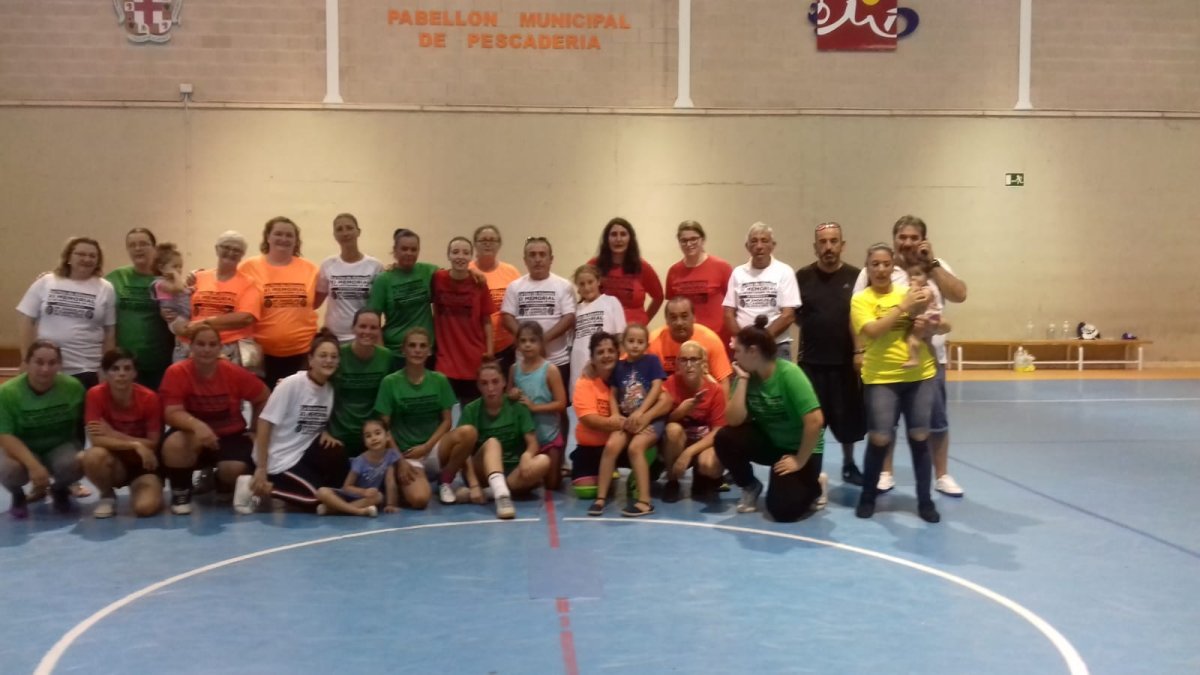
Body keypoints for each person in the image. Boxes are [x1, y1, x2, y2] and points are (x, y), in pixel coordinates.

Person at [853, 215, 968, 497]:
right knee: (884, 424)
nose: (907, 243)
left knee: (935, 422)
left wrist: (933, 264)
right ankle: (885, 472)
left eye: (913, 238)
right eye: (902, 237)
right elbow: (856, 311)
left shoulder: (935, 267)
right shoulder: (880, 268)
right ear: (894, 240)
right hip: (886, 361)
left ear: (923, 240)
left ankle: (941, 475)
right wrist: (859, 351)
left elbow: (960, 294)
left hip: (930, 359)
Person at [851, 243, 940, 523]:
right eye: (874, 264)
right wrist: (902, 308)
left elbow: (937, 320)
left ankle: (925, 501)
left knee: (919, 435)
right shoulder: (861, 300)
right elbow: (873, 331)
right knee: (879, 437)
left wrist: (931, 323)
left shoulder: (909, 293)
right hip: (881, 378)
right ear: (867, 267)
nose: (880, 269)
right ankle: (868, 496)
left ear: (893, 267)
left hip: (919, 375)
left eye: (886, 264)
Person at [713, 316, 827, 522]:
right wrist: (743, 381)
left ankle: (815, 485)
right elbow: (733, 420)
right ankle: (750, 485)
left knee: (782, 511)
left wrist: (800, 460)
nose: (734, 357)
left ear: (753, 351)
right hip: (773, 444)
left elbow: (815, 421)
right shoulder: (747, 374)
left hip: (802, 449)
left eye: (738, 351)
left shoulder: (789, 374)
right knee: (725, 437)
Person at [159, 324, 270, 514]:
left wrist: (254, 430)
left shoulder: (233, 372)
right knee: (174, 444)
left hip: (229, 435)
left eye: (212, 344)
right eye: (201, 344)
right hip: (192, 435)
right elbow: (171, 412)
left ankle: (221, 481)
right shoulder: (177, 372)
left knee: (234, 469)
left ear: (220, 348)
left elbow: (264, 396)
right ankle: (181, 492)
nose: (206, 349)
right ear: (191, 346)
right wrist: (196, 425)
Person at [237, 329, 342, 514]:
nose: (329, 360)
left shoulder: (329, 391)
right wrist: (261, 467)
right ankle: (254, 486)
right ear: (311, 360)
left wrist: (324, 432)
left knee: (336, 454)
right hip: (278, 460)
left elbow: (311, 422)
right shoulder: (291, 384)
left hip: (300, 456)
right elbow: (264, 423)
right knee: (315, 500)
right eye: (323, 355)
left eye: (334, 356)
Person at [795, 222, 866, 486]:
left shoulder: (857, 277)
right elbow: (798, 315)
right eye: (823, 242)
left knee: (847, 419)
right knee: (814, 421)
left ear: (842, 245)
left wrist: (858, 351)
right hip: (811, 363)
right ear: (815, 247)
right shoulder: (802, 276)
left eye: (833, 241)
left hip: (846, 362)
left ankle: (849, 464)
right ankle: (813, 468)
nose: (828, 247)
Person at [373, 327, 476, 507]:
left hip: (434, 449)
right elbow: (384, 430)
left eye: (422, 346)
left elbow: (447, 421)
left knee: (468, 432)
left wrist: (427, 446)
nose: (417, 350)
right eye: (412, 346)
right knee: (420, 500)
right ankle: (407, 483)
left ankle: (445, 479)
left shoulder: (439, 380)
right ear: (403, 350)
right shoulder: (390, 383)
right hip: (407, 454)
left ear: (429, 351)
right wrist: (400, 461)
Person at [588, 324, 671, 518]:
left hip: (651, 418)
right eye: (631, 341)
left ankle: (644, 501)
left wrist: (642, 412)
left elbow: (657, 388)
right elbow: (614, 392)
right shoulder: (619, 366)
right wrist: (616, 415)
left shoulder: (651, 361)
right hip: (626, 419)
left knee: (636, 448)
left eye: (640, 342)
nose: (635, 345)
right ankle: (600, 498)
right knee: (611, 446)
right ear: (623, 344)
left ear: (646, 345)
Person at [451, 362, 551, 520]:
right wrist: (474, 483)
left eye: (495, 382)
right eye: (484, 383)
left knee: (543, 461)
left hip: (512, 472)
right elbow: (464, 454)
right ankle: (502, 497)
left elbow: (532, 443)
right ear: (478, 386)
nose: (490, 388)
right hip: (482, 472)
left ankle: (491, 492)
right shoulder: (471, 410)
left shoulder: (517, 406)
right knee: (492, 443)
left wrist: (527, 455)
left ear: (504, 382)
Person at [17, 237, 117, 390]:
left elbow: (110, 332)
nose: (86, 259)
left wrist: (106, 368)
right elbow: (26, 320)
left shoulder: (106, 288)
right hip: (48, 367)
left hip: (88, 368)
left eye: (92, 256)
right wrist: (26, 360)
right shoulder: (46, 281)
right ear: (69, 257)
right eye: (81, 254)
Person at [0, 341, 86, 519]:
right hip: (23, 447)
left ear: (60, 365)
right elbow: (5, 436)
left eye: (52, 363)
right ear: (26, 363)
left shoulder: (73, 388)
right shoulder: (7, 393)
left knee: (81, 461)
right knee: (8, 469)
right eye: (39, 362)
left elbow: (82, 424)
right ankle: (17, 495)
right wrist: (34, 466)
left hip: (58, 445)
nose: (45, 369)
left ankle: (60, 489)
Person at [501, 236, 576, 435]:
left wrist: (542, 341)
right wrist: (528, 341)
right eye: (532, 255)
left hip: (557, 360)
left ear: (551, 259)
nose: (538, 259)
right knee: (523, 407)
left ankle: (560, 459)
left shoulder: (563, 285)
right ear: (525, 260)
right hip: (523, 363)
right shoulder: (515, 287)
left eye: (542, 255)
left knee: (559, 410)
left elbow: (569, 317)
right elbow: (506, 317)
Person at [80, 349, 164, 518]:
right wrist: (135, 444)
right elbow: (96, 440)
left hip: (145, 464)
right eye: (115, 369)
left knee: (145, 509)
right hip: (115, 463)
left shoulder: (149, 398)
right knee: (91, 456)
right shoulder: (94, 395)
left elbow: (153, 443)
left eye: (127, 368)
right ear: (105, 373)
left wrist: (112, 433)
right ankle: (107, 495)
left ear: (134, 373)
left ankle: (141, 488)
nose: (121, 374)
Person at [239, 216, 319, 388]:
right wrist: (196, 277)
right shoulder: (248, 267)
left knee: (295, 406)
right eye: (278, 234)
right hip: (260, 355)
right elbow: (227, 282)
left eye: (289, 235)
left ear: (296, 240)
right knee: (264, 405)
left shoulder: (311, 269)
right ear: (268, 237)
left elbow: (317, 301)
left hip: (302, 353)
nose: (283, 239)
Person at [107, 228, 174, 390]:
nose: (138, 248)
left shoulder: (167, 279)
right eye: (132, 245)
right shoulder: (116, 277)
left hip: (160, 362)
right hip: (125, 364)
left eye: (143, 244)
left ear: (154, 248)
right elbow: (88, 286)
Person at [660, 340, 727, 503]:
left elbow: (718, 430)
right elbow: (662, 421)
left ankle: (705, 475)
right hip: (677, 442)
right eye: (684, 360)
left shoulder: (715, 390)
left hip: (702, 443)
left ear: (703, 363)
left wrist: (688, 453)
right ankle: (672, 481)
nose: (689, 365)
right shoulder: (669, 384)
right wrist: (681, 411)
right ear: (678, 364)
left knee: (709, 466)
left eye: (694, 359)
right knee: (672, 429)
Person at [723, 222, 801, 361]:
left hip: (776, 346)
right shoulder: (738, 273)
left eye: (764, 241)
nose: (759, 246)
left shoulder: (785, 271)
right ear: (747, 246)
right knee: (743, 383)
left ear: (773, 245)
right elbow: (729, 314)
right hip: (745, 348)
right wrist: (746, 340)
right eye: (754, 241)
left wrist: (761, 339)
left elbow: (788, 315)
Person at [433, 236, 495, 405]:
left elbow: (487, 320)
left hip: (474, 359)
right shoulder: (437, 278)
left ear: (471, 257)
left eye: (466, 252)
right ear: (448, 256)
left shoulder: (479, 283)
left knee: (471, 416)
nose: (460, 256)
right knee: (443, 415)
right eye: (455, 252)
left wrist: (490, 351)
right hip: (445, 360)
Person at [187, 231, 262, 370]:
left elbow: (245, 318)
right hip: (197, 346)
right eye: (226, 247)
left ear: (242, 255)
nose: (231, 252)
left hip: (231, 349)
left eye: (236, 250)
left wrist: (203, 323)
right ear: (217, 249)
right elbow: (184, 308)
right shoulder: (198, 277)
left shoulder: (249, 283)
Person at [508, 322, 567, 490]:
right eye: (523, 341)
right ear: (517, 344)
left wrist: (535, 407)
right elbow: (508, 397)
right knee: (527, 481)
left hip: (549, 435)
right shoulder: (514, 369)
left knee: (552, 485)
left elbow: (561, 404)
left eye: (532, 340)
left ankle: (557, 468)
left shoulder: (550, 370)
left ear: (541, 342)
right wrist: (511, 395)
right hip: (525, 439)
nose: (527, 345)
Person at [329, 309, 393, 457]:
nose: (367, 331)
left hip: (372, 436)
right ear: (353, 328)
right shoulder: (338, 355)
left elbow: (389, 399)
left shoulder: (386, 356)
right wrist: (324, 431)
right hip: (339, 435)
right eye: (362, 326)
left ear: (379, 330)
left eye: (373, 327)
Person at [368, 228, 437, 363]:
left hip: (425, 352)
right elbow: (373, 320)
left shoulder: (428, 271)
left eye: (413, 249)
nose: (409, 253)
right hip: (395, 353)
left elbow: (455, 275)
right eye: (404, 249)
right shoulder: (383, 280)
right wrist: (382, 354)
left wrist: (475, 273)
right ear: (395, 250)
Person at [315, 213, 384, 343]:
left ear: (358, 232)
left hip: (363, 337)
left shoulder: (375, 266)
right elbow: (315, 302)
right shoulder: (327, 264)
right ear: (334, 235)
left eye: (349, 228)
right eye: (339, 229)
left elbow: (378, 306)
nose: (345, 233)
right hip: (333, 338)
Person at [665, 220, 734, 347]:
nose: (689, 244)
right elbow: (672, 308)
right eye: (684, 240)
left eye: (693, 239)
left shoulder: (721, 267)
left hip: (717, 338)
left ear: (702, 240)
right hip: (686, 339)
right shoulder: (674, 271)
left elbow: (734, 304)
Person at [568, 332, 623, 490]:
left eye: (610, 351)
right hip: (590, 448)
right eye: (600, 352)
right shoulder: (585, 382)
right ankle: (604, 469)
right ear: (592, 358)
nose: (606, 355)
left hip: (619, 445)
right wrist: (619, 423)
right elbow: (588, 420)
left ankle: (630, 473)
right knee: (586, 491)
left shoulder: (627, 376)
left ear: (618, 354)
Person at [315, 418, 401, 517]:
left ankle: (335, 510)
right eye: (368, 436)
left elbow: (390, 481)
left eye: (377, 433)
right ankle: (359, 512)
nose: (374, 438)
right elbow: (347, 487)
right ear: (364, 442)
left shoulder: (390, 455)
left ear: (387, 436)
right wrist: (363, 492)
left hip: (366, 499)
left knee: (379, 497)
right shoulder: (360, 461)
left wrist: (391, 504)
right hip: (349, 496)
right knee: (322, 492)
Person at [648, 297, 733, 394]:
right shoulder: (653, 341)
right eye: (673, 317)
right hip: (667, 399)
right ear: (667, 321)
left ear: (694, 317)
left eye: (684, 316)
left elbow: (723, 382)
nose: (679, 323)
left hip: (703, 398)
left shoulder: (711, 340)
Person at [588, 217, 664, 325]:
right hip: (602, 331)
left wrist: (644, 321)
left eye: (623, 234)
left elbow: (658, 297)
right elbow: (585, 294)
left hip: (632, 335)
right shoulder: (594, 265)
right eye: (614, 234)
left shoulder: (642, 267)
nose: (618, 239)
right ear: (606, 239)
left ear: (630, 239)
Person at [470, 225, 522, 374]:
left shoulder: (510, 272)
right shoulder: (467, 271)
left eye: (492, 240)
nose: (488, 243)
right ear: (475, 244)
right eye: (483, 240)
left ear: (499, 244)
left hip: (506, 347)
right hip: (476, 346)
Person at [568, 264, 625, 396]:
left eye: (590, 282)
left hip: (604, 363)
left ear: (598, 281)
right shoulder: (576, 309)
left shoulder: (611, 302)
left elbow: (620, 336)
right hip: (579, 363)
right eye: (582, 284)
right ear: (577, 288)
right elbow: (572, 340)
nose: (587, 287)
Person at [151, 242, 192, 363]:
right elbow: (178, 289)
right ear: (162, 268)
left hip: (185, 315)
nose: (179, 270)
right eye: (175, 266)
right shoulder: (160, 283)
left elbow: (185, 291)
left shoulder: (175, 281)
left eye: (180, 266)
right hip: (175, 319)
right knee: (186, 339)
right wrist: (176, 275)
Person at [902, 262, 944, 368]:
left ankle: (914, 359)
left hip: (928, 318)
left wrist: (913, 288)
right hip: (926, 318)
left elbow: (922, 299)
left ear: (927, 277)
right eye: (910, 275)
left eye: (917, 274)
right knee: (927, 342)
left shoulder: (927, 289)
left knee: (912, 338)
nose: (913, 277)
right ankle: (934, 361)